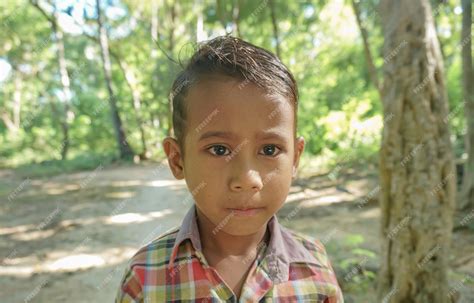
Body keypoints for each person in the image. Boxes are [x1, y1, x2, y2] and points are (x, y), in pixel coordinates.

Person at [115, 35, 344, 302]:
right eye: (220, 150)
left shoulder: (314, 269)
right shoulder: (147, 277)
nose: (247, 179)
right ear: (178, 160)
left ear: (295, 159)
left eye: (269, 150)